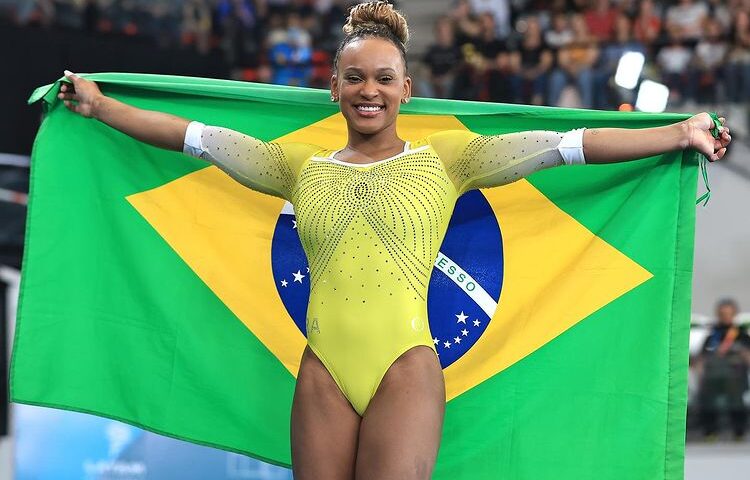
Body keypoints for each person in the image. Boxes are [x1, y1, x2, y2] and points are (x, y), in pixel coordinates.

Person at [57, 2, 732, 478]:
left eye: (384, 78)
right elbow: (192, 137)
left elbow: (570, 146)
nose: (368, 90)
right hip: (321, 371)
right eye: (354, 77)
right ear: (334, 88)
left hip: (404, 369)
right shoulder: (295, 169)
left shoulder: (447, 161)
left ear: (406, 88)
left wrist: (678, 133)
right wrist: (100, 106)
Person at [694, 299, 750, 440]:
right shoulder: (712, 334)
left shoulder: (741, 334)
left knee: (737, 404)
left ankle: (739, 432)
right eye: (722, 313)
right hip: (713, 376)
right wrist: (700, 372)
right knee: (708, 404)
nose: (725, 316)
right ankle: (710, 432)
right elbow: (702, 356)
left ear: (734, 314)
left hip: (735, 376)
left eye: (728, 313)